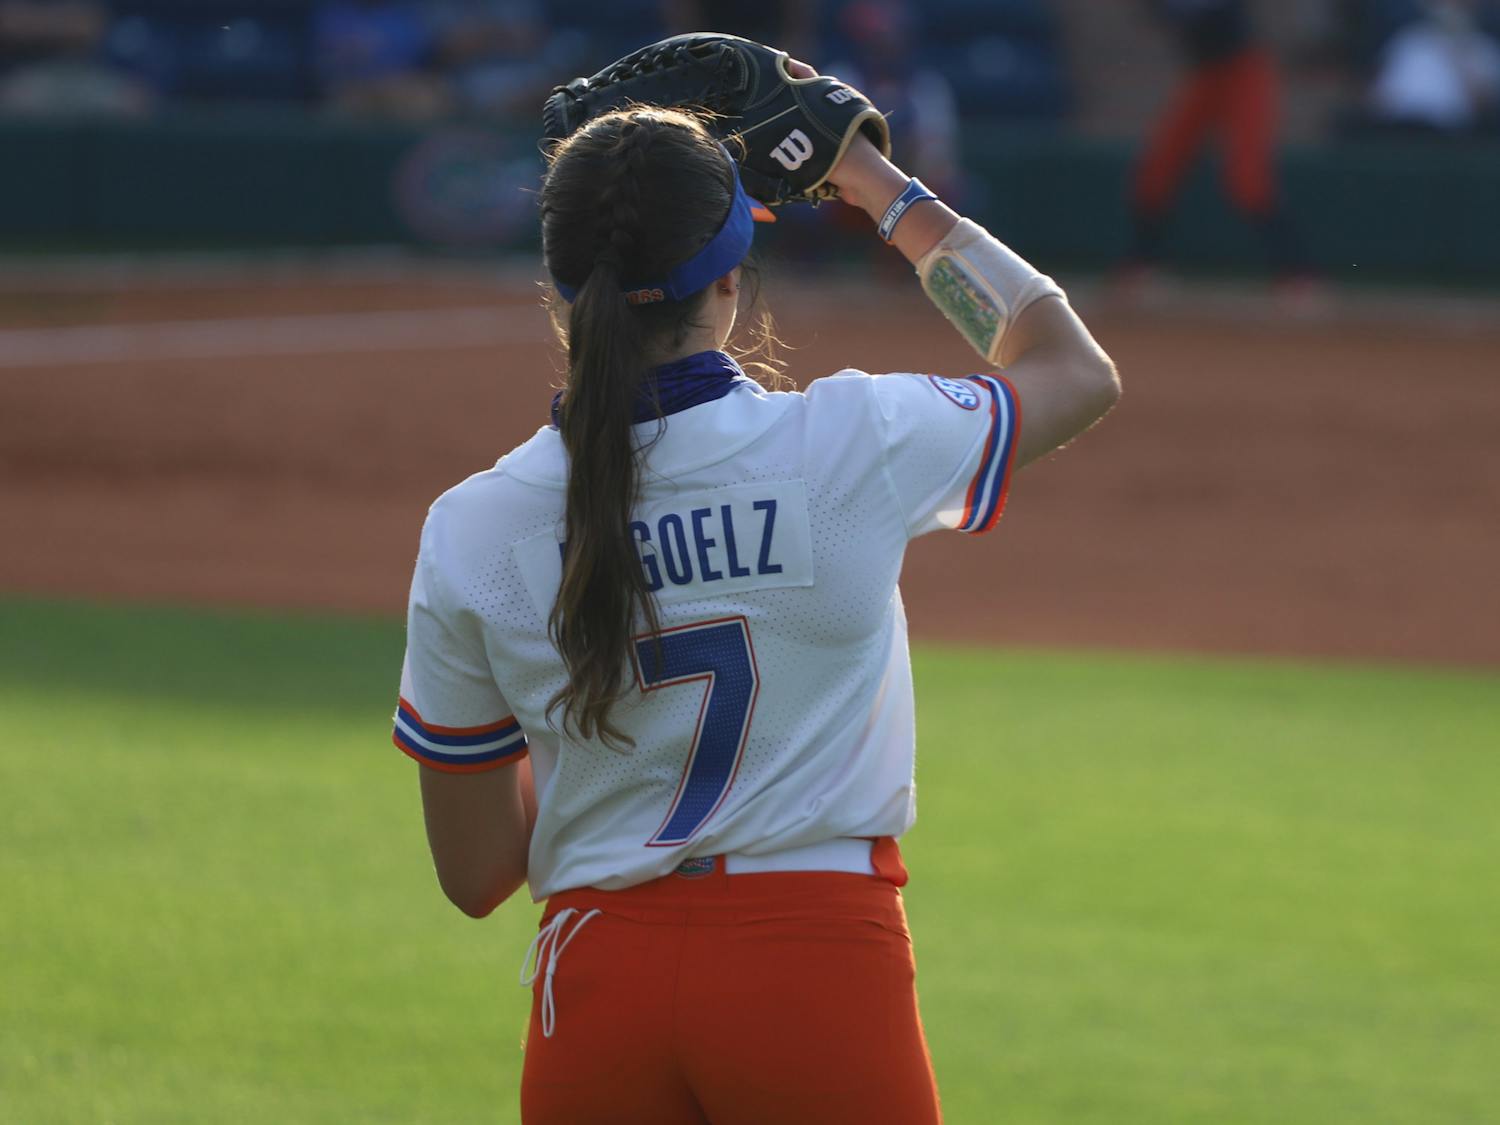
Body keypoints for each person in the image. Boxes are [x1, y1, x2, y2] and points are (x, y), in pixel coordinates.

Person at [391, 55, 1119, 1125]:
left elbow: (474, 872)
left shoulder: (477, 524)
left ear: (559, 287)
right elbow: (1070, 364)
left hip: (597, 990)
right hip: (815, 966)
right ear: (733, 277)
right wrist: (875, 183)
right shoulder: (850, 439)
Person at [1121, 0, 1310, 287]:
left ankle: (1297, 274)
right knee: (1157, 169)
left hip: (1245, 70)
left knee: (1248, 178)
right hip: (1205, 76)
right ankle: (1142, 265)